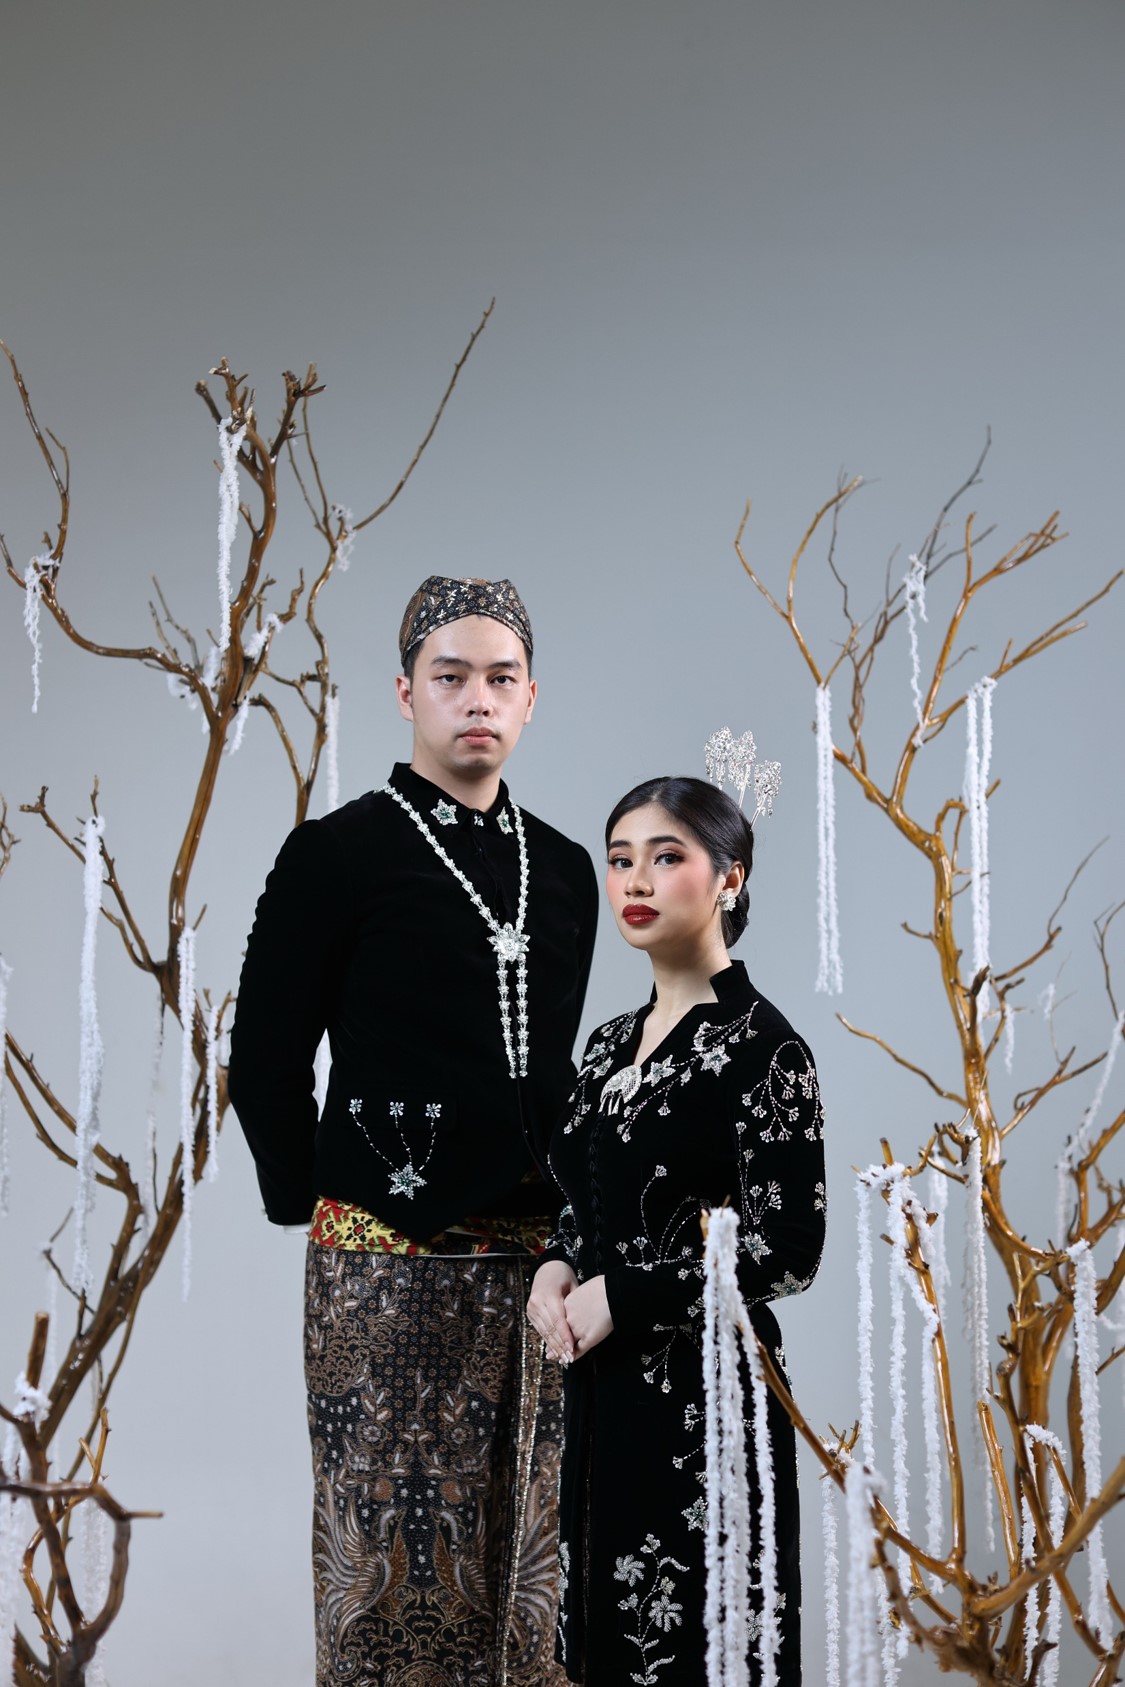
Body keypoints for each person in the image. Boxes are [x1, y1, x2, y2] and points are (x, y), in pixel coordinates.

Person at [228, 576, 598, 1687]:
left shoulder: (569, 869)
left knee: (536, 1575)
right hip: (385, 1272)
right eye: (451, 677)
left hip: (540, 1279)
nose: (476, 699)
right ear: (405, 693)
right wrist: (323, 1203)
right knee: (391, 1589)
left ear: (531, 697)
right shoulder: (335, 854)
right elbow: (263, 1058)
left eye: (500, 678)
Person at [526, 774, 825, 1686]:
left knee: (699, 1650)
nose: (636, 880)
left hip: (707, 1400)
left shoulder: (765, 1049)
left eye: (665, 857)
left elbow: (788, 1252)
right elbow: (584, 1201)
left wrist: (628, 1292)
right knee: (597, 1645)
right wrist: (556, 1265)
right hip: (598, 1395)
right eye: (621, 860)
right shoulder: (606, 1045)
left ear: (729, 877)